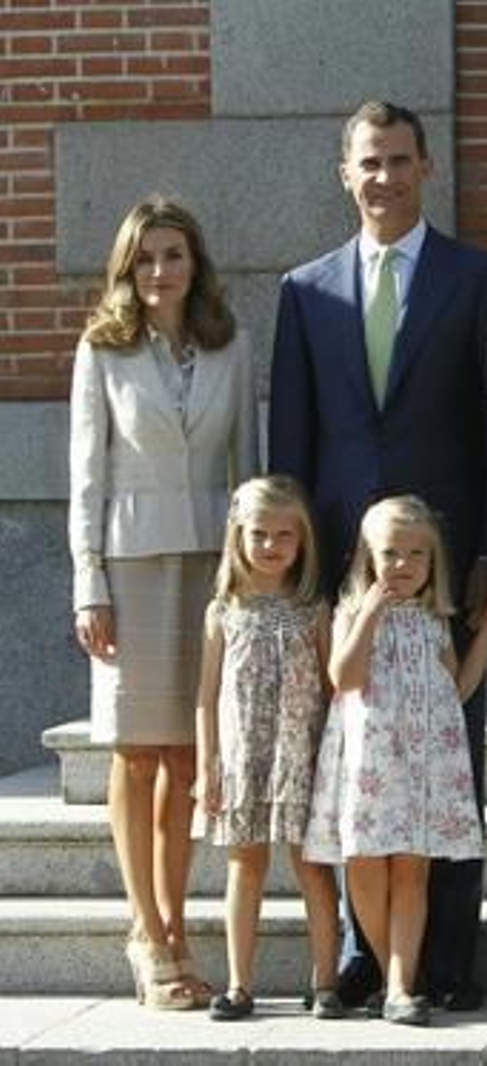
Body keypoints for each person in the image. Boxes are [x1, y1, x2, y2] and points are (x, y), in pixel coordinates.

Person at [269, 100, 487, 1012]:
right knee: (350, 770)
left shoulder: (480, 278)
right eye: (370, 162)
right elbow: (290, 439)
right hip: (342, 577)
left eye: (402, 160)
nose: (386, 177)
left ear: (428, 168)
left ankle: (445, 964)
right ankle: (366, 961)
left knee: (447, 769)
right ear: (346, 173)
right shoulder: (306, 290)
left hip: (443, 571)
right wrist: (297, 576)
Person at [68, 196, 259, 1010]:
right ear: (126, 267)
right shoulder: (103, 349)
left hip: (211, 567)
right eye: (144, 258)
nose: (158, 272)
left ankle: (179, 929)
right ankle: (147, 936)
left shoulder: (231, 343)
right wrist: (87, 581)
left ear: (195, 263)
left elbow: (250, 467)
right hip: (131, 565)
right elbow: (86, 476)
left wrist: (256, 580)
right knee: (134, 752)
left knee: (187, 758)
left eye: (172, 255)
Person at [303, 495, 487, 1027]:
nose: (404, 565)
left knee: (412, 871)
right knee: (366, 867)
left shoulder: (436, 620)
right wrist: (369, 610)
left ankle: (399, 984)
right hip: (371, 764)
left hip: (421, 762)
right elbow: (343, 678)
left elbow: (457, 686)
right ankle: (387, 967)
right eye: (391, 553)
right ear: (368, 557)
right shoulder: (348, 611)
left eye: (418, 554)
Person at [192, 476, 340, 1021]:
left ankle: (325, 982)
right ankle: (238, 984)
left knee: (313, 867)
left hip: (300, 758)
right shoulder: (222, 611)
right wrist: (207, 766)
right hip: (243, 760)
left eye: (285, 535)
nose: (272, 546)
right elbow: (206, 698)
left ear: (303, 542)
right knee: (245, 865)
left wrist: (333, 760)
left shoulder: (313, 609)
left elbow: (332, 690)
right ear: (238, 536)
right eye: (260, 534)